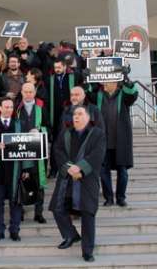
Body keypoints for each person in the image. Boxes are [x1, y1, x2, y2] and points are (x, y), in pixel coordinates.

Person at [49, 106, 106, 263]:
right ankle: (71, 235)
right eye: (75, 114)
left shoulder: (97, 134)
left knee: (88, 214)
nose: (76, 117)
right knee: (57, 208)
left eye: (80, 114)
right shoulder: (66, 133)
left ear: (88, 117)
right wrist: (69, 168)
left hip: (87, 178)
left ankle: (87, 251)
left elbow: (97, 154)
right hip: (67, 178)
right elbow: (58, 151)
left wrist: (80, 168)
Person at [88, 78, 138, 207]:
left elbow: (132, 95)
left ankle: (121, 197)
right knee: (103, 171)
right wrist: (86, 80)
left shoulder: (123, 95)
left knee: (123, 171)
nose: (104, 84)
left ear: (115, 84)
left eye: (107, 82)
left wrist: (127, 80)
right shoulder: (98, 95)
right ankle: (108, 198)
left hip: (121, 140)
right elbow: (86, 94)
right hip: (103, 140)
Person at [0, 97, 27, 241]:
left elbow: (27, 149)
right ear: (0, 108)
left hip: (15, 170)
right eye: (6, 107)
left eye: (11, 107)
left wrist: (26, 170)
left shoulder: (20, 124)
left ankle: (14, 230)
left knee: (15, 203)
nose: (8, 110)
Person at [16, 83, 50, 224]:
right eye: (26, 91)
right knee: (20, 180)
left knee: (38, 182)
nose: (28, 94)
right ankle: (20, 212)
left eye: (31, 91)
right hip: (20, 150)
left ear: (35, 92)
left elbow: (49, 125)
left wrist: (40, 130)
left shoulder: (41, 107)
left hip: (38, 150)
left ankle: (38, 213)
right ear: (22, 92)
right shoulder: (16, 108)